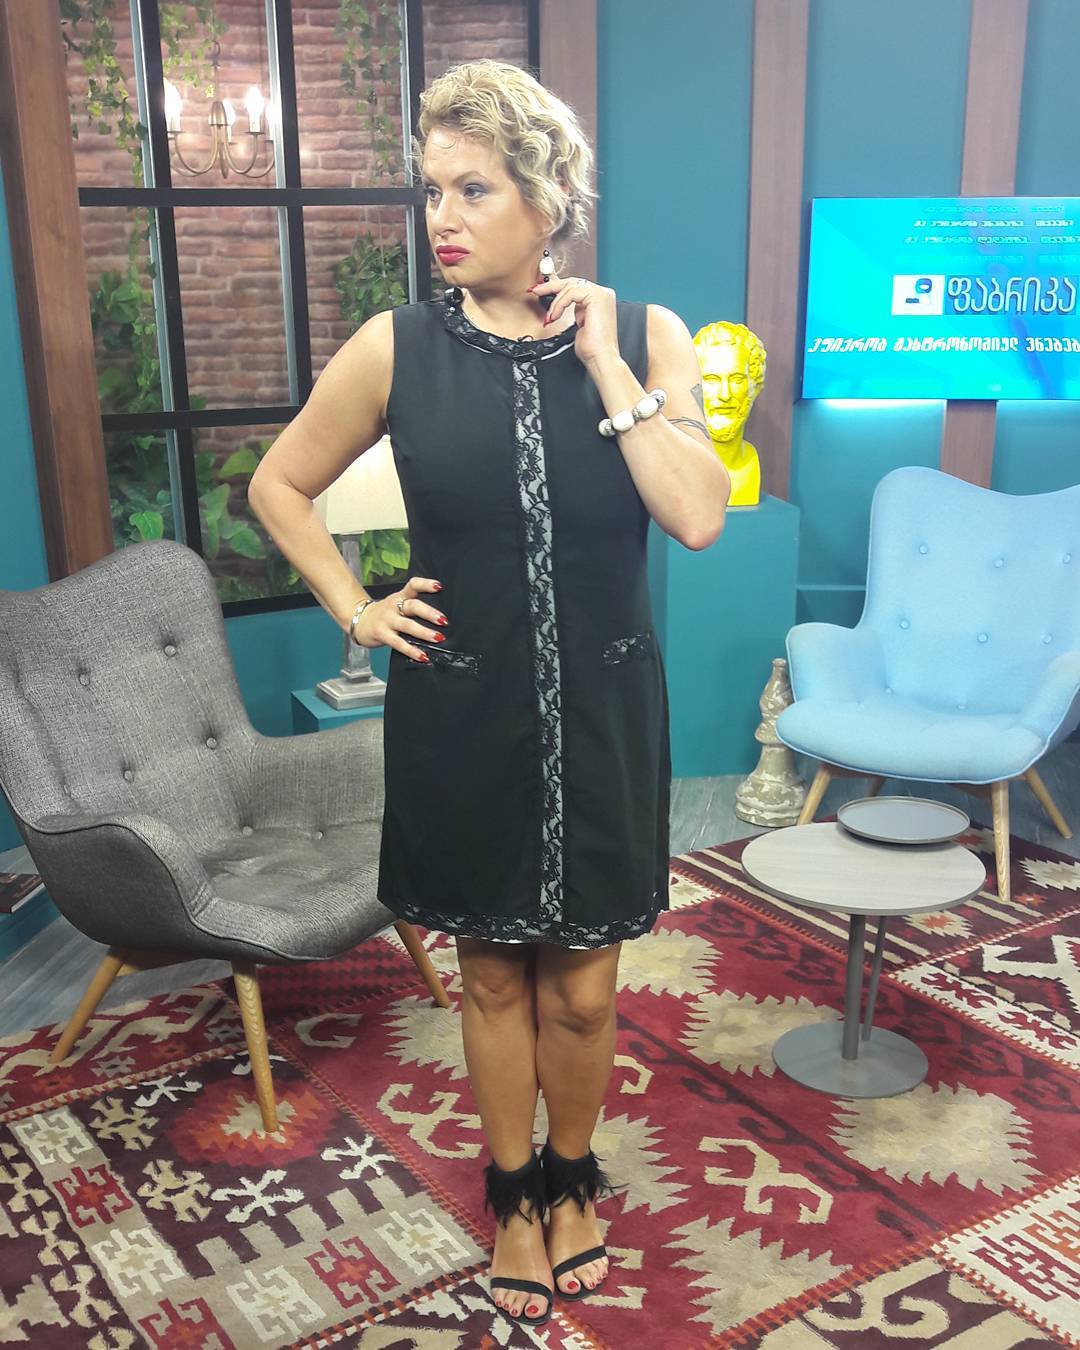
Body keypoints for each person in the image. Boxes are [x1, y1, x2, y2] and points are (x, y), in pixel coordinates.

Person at [248, 58, 729, 1327]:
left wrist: (607, 366)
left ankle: (575, 1175)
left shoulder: (649, 336)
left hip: (606, 711)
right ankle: (515, 1195)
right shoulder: (396, 348)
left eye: (473, 189)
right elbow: (277, 486)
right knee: (496, 979)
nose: (442, 219)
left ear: (547, 198)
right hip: (461, 710)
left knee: (586, 985)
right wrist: (355, 609)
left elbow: (696, 516)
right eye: (430, 190)